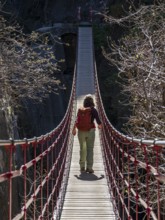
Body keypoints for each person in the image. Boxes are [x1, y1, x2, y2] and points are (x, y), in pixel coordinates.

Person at [72, 94, 102, 173]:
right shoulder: (93, 110)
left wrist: (74, 129)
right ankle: (89, 168)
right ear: (92, 102)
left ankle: (82, 167)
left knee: (82, 149)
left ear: (84, 102)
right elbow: (98, 121)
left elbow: (76, 120)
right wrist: (100, 126)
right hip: (90, 131)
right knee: (89, 149)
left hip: (81, 131)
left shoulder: (81, 109)